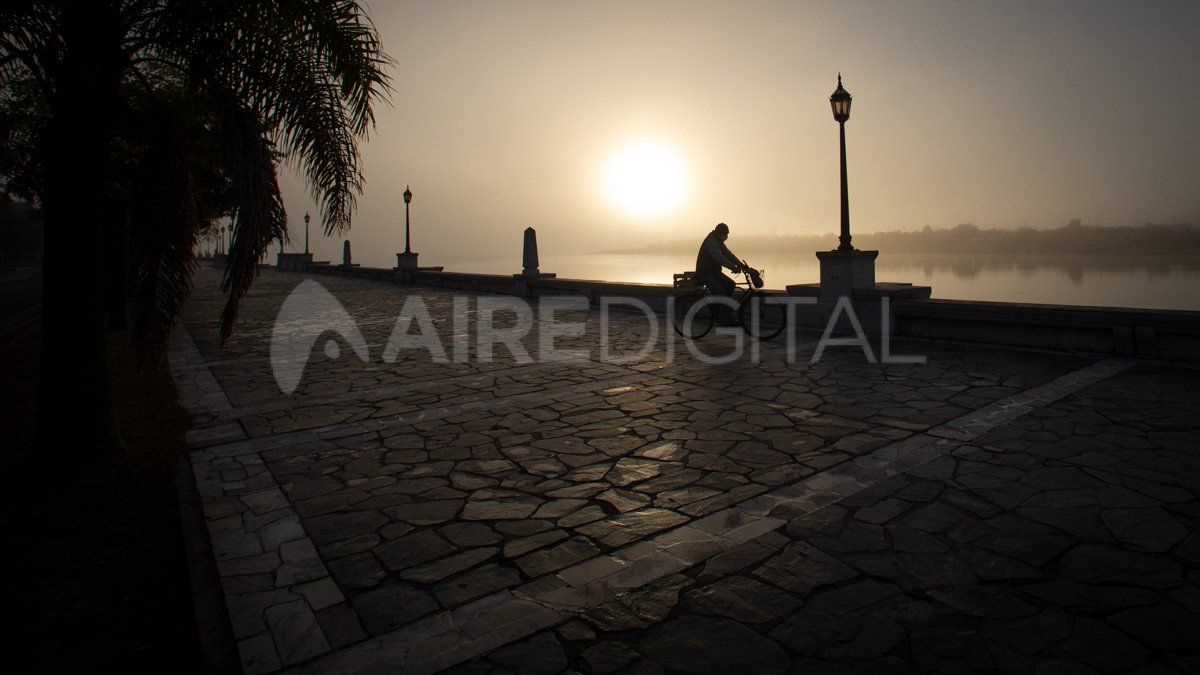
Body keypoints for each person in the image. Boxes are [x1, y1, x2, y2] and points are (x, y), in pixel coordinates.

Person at [695, 222, 744, 323]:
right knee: (721, 293)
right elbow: (719, 258)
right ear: (721, 233)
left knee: (731, 285)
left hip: (714, 272)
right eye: (725, 235)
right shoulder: (711, 241)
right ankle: (727, 319)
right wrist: (733, 267)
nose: (726, 237)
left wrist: (741, 265)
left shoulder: (718, 241)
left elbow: (728, 254)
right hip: (705, 273)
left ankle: (719, 307)